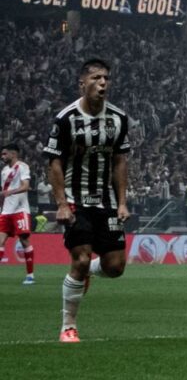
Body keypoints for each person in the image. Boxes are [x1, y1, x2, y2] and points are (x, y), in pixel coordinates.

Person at [44, 59, 131, 342]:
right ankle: (68, 326)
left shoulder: (118, 119)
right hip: (75, 200)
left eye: (106, 77)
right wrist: (60, 203)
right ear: (83, 83)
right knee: (79, 259)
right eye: (96, 78)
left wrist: (121, 202)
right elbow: (54, 163)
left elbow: (120, 162)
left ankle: (89, 272)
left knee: (115, 267)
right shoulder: (66, 119)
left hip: (105, 202)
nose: (103, 82)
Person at [1, 143, 36, 284]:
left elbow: (26, 186)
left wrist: (10, 192)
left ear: (13, 154)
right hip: (6, 211)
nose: (2, 156)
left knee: (24, 241)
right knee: (0, 241)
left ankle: (30, 275)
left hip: (20, 210)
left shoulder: (22, 167)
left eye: (5, 154)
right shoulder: (3, 170)